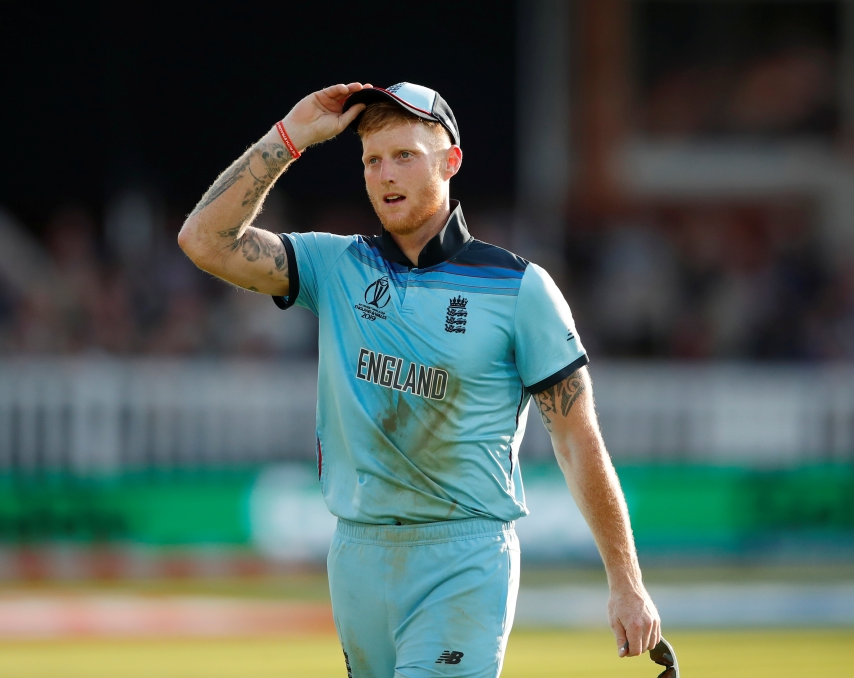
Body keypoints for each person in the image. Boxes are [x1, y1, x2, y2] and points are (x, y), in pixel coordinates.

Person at [178, 82, 660, 678]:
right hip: (356, 556)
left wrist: (627, 583)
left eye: (404, 154)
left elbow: (577, 439)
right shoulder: (335, 266)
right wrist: (289, 137)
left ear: (451, 160)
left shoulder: (520, 289)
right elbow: (203, 240)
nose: (385, 174)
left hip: (463, 557)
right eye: (371, 160)